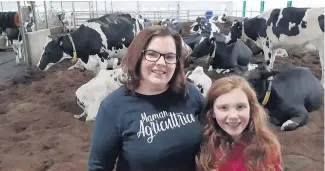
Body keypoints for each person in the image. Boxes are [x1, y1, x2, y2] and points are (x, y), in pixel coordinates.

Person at [87, 25, 205, 171]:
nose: (161, 62)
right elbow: (99, 165)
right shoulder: (114, 106)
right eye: (152, 54)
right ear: (138, 57)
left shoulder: (190, 93)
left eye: (169, 57)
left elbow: (215, 131)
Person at [195, 75, 283, 171]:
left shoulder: (268, 146)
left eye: (240, 107)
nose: (233, 116)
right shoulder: (204, 145)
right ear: (212, 112)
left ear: (251, 109)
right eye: (223, 108)